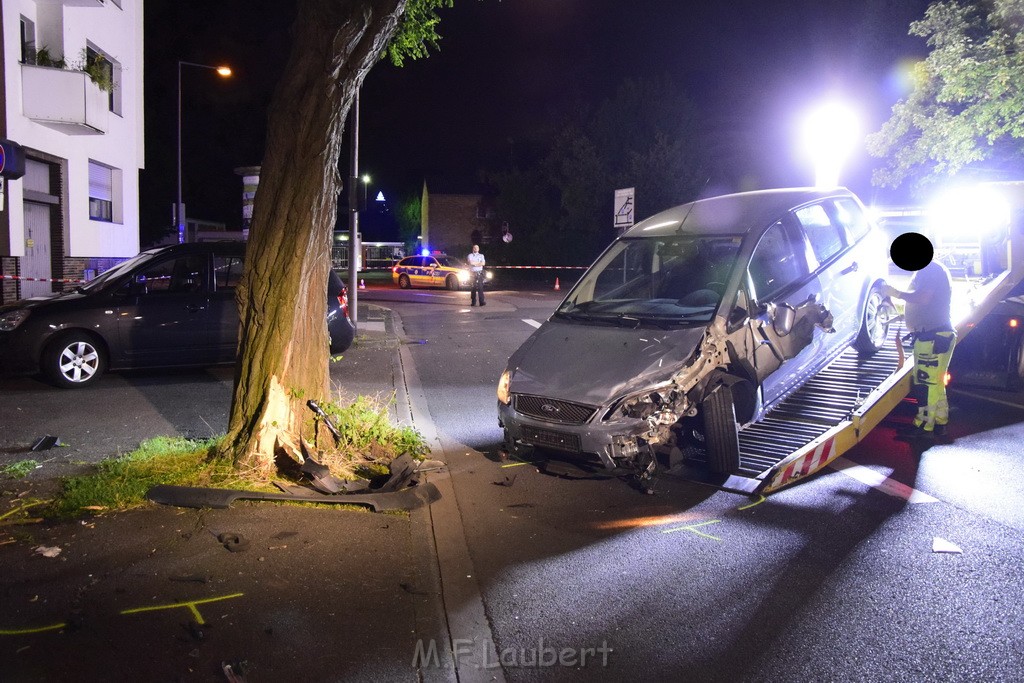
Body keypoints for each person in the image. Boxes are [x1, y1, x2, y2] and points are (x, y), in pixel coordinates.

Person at [882, 257, 956, 437]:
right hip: (938, 335)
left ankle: (924, 426)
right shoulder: (933, 269)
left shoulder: (929, 269)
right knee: (936, 383)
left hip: (932, 337)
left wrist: (896, 293)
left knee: (925, 384)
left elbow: (923, 298)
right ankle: (939, 422)